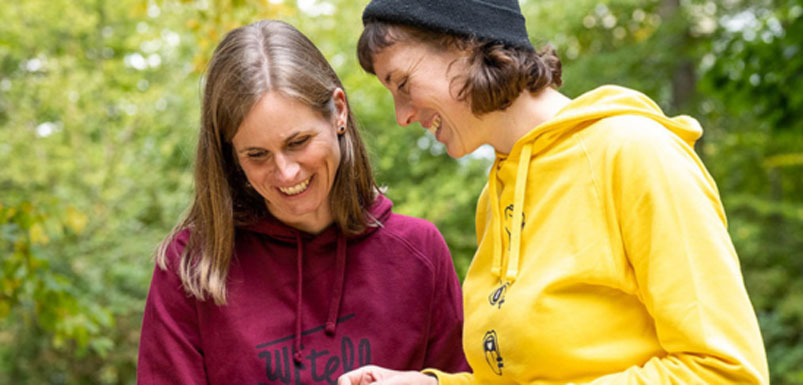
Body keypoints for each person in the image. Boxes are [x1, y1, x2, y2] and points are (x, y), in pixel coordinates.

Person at [338, 0, 770, 384]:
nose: (402, 115)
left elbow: (726, 371)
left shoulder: (634, 151)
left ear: (464, 45)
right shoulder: (497, 195)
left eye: (403, 84)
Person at [137, 20, 468, 385]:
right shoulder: (193, 267)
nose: (286, 173)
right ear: (231, 154)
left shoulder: (418, 253)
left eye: (298, 142)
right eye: (257, 155)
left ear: (338, 112)